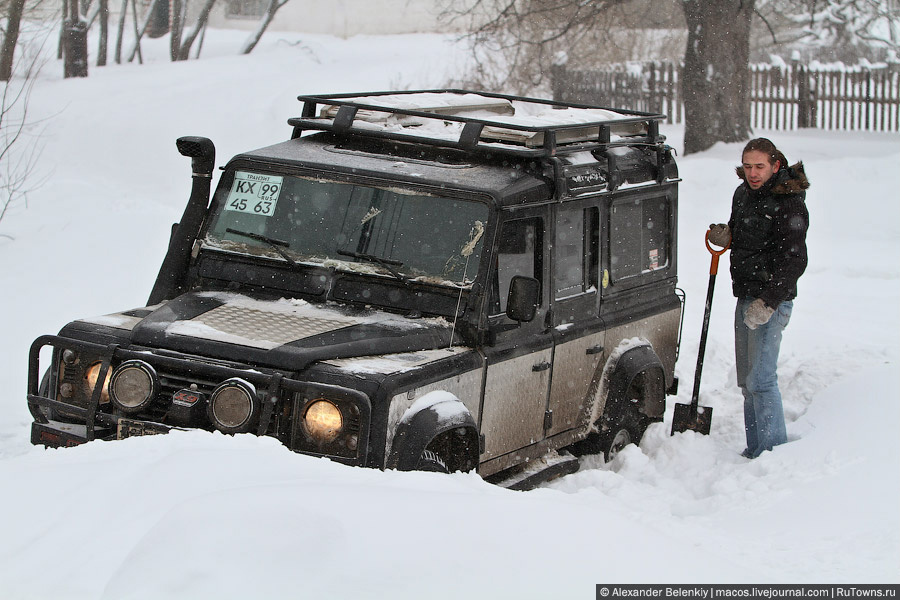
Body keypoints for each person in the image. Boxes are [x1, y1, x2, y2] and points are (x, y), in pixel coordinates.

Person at [708, 138, 809, 459]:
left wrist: (768, 302)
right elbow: (740, 231)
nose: (752, 173)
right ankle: (756, 450)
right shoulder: (743, 194)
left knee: (762, 380)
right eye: (748, 166)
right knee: (746, 382)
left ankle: (772, 453)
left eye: (760, 167)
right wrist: (726, 235)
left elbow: (795, 260)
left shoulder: (789, 203)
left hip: (771, 301)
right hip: (745, 295)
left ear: (776, 165)